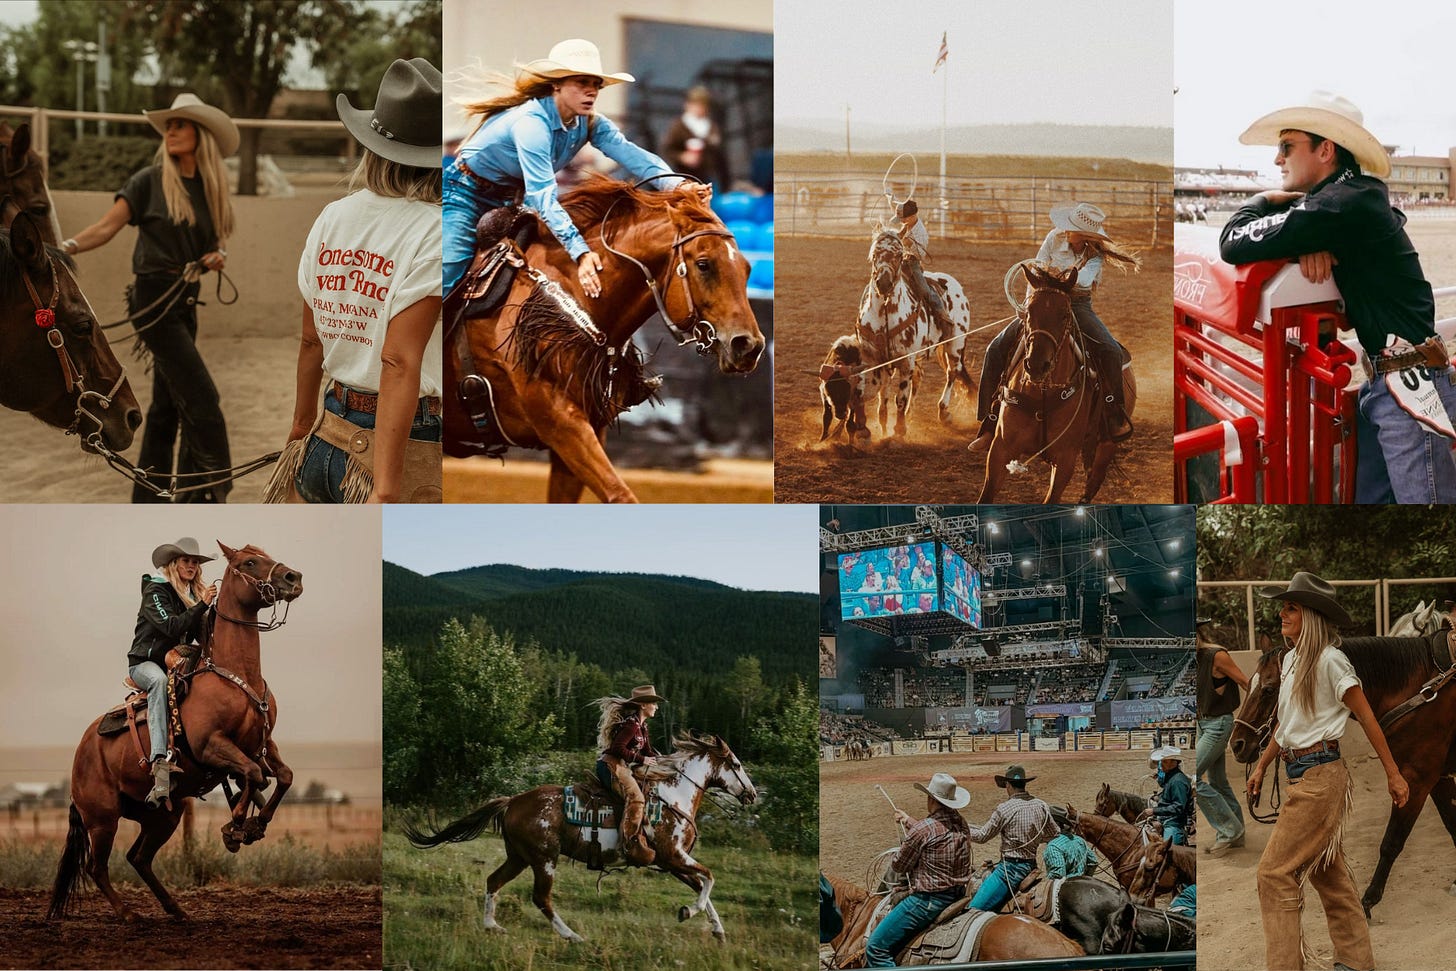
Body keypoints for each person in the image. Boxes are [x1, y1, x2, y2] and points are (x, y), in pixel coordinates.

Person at [1219, 91, 1456, 503]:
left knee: (1426, 502)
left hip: (1407, 388)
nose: (1278, 159)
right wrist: (1302, 241)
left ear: (1325, 149)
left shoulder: (1339, 206)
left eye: (1287, 146)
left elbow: (1231, 241)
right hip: (1397, 380)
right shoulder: (1352, 199)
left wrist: (1265, 199)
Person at [281, 58, 443, 504]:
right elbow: (398, 362)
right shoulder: (436, 229)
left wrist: (300, 427)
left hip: (326, 432)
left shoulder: (333, 216)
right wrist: (387, 489)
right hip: (404, 443)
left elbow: (311, 341)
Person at [61, 94, 237, 503]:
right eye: (169, 126)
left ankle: (149, 497)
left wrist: (218, 255)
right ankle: (209, 490)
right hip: (152, 300)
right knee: (203, 396)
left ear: (201, 134)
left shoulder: (210, 188)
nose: (171, 131)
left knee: (167, 405)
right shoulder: (148, 181)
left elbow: (218, 239)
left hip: (186, 301)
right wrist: (62, 248)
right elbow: (106, 228)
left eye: (180, 124)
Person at [444, 38, 707, 296]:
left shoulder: (591, 124)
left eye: (596, 84)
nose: (591, 91)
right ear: (556, 85)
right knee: (449, 270)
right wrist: (580, 251)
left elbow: (635, 157)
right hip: (463, 194)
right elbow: (542, 196)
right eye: (582, 82)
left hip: (507, 200)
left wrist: (679, 184)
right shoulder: (531, 123)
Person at [1246, 572, 1409, 971]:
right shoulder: (1292, 660)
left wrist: (1393, 773)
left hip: (1321, 777)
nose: (1282, 614)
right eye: (1283, 607)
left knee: (1272, 872)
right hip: (1301, 774)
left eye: (1291, 608)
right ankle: (1356, 961)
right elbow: (1286, 724)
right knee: (1326, 872)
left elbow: (1367, 717)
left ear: (1312, 616)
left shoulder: (1332, 661)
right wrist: (1262, 766)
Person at [970, 203, 1140, 451]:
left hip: (1077, 306)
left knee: (1111, 351)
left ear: (1085, 235)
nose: (1065, 230)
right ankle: (989, 421)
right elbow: (1038, 267)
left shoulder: (1094, 256)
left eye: (1071, 228)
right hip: (1042, 300)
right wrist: (1031, 304)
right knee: (996, 349)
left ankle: (1114, 415)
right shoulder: (1054, 237)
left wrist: (1052, 277)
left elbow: (1081, 282)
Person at [128, 537, 217, 805]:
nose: (191, 566)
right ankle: (159, 761)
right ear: (174, 563)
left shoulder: (190, 595)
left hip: (174, 660)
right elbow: (171, 627)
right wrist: (202, 605)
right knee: (158, 682)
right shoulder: (156, 591)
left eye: (195, 562)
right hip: (144, 663)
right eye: (186, 561)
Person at [865, 772, 972, 967]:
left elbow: (898, 866)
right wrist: (908, 820)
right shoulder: (961, 823)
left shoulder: (923, 830)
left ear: (931, 799)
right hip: (958, 894)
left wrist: (903, 845)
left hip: (928, 901)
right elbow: (936, 831)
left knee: (876, 948)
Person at [965, 764, 1058, 911]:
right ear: (1024, 784)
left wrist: (962, 830)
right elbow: (1054, 833)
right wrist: (1035, 838)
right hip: (1031, 866)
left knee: (973, 909)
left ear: (1008, 785)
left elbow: (983, 836)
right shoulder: (1041, 805)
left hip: (1010, 871)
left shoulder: (1005, 808)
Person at [594, 684, 666, 866]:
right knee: (637, 798)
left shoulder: (642, 727)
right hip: (611, 765)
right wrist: (640, 759)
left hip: (621, 766)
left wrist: (667, 762)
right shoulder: (631, 725)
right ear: (643, 705)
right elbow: (618, 748)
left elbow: (649, 752)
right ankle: (625, 846)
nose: (656, 707)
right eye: (654, 703)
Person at [1196, 616, 1250, 856]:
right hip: (1202, 723)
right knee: (1217, 781)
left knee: (1191, 779)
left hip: (1218, 723)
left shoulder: (1216, 656)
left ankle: (1229, 830)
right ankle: (1237, 835)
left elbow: (1246, 683)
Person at [895, 200, 952, 327]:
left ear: (912, 217)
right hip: (902, 260)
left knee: (924, 290)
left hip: (912, 263)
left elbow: (920, 255)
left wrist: (909, 246)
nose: (902, 222)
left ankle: (942, 312)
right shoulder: (909, 224)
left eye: (904, 219)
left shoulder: (920, 234)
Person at [658, 86, 728, 189]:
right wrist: (683, 157)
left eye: (702, 105)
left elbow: (718, 154)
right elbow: (668, 149)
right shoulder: (679, 126)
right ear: (688, 105)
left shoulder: (711, 126)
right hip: (684, 176)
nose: (699, 109)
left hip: (708, 176)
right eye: (696, 105)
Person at [1147, 746, 1194, 845]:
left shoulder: (1177, 781)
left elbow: (1178, 807)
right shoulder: (1172, 777)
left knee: (1168, 852)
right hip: (1167, 820)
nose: (1161, 765)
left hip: (1174, 824)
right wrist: (1159, 797)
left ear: (1174, 762)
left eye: (1164, 762)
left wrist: (1154, 810)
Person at [1044, 805, 1097, 879]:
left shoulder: (1053, 846)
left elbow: (1058, 874)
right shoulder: (1080, 840)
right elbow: (1093, 861)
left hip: (1066, 887)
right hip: (1082, 881)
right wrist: (1086, 878)